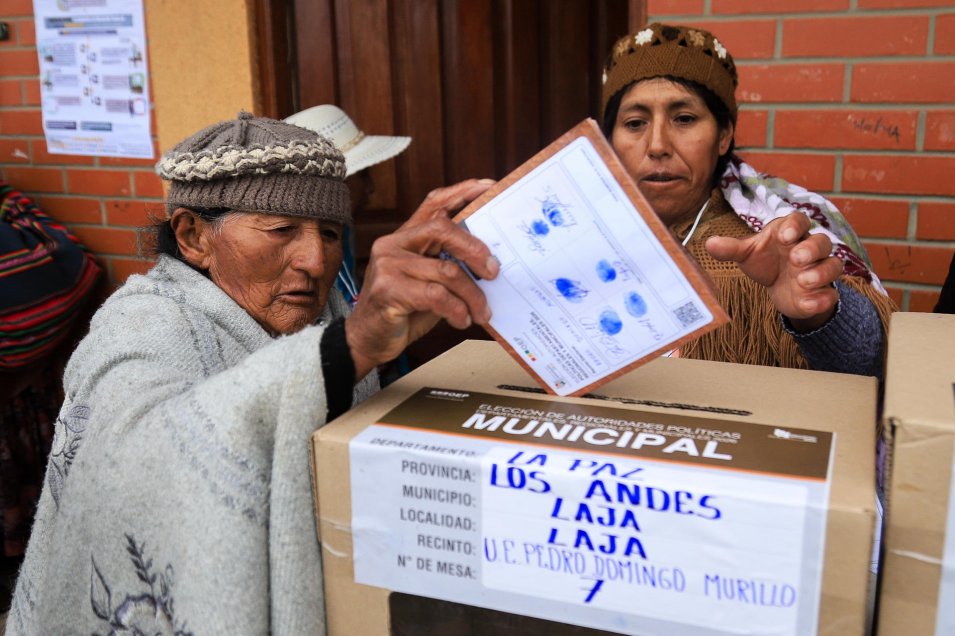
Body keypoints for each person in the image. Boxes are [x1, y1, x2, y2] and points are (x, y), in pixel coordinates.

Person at [6, 112, 498, 634]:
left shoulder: (327, 307)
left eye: (330, 233)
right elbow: (137, 461)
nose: (314, 259)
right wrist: (352, 344)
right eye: (282, 230)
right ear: (193, 236)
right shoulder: (142, 321)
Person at [600, 23, 896, 376]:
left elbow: (871, 368)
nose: (658, 145)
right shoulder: (574, 234)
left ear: (723, 136)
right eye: (634, 123)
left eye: (684, 119)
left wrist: (818, 313)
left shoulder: (780, 231)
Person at [284, 104, 412, 306]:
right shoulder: (305, 253)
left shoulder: (342, 231)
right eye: (363, 175)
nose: (370, 188)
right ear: (335, 185)